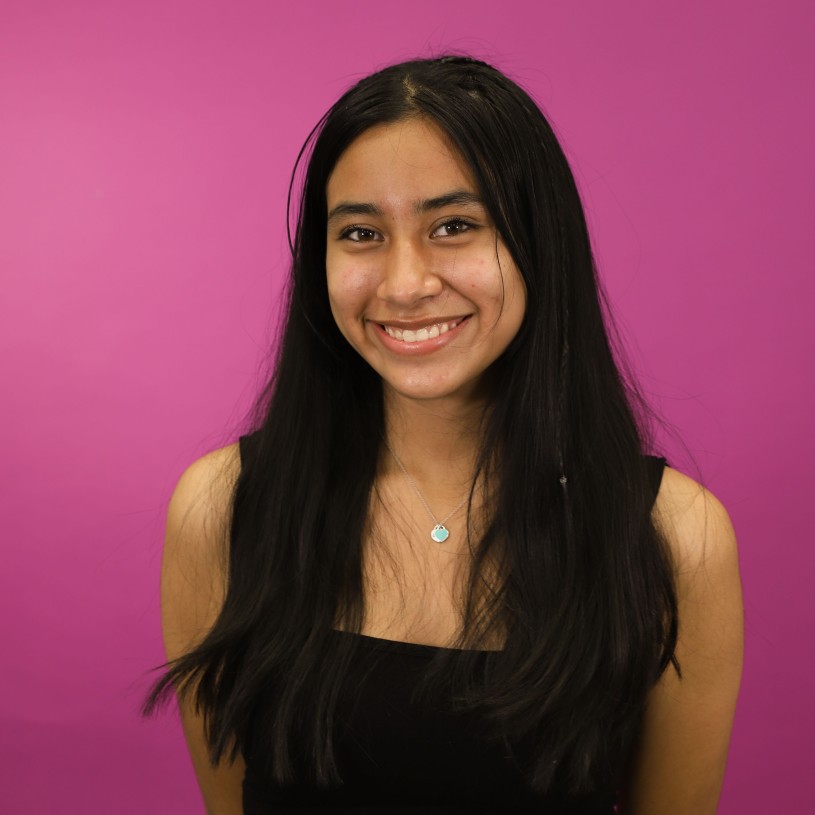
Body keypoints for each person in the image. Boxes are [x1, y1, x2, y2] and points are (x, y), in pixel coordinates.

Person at [146, 56, 743, 814]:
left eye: (454, 226)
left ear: (539, 242)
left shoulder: (674, 536)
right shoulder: (222, 508)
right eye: (360, 232)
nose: (403, 283)